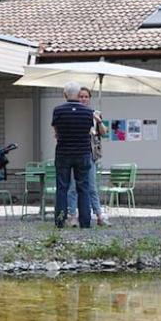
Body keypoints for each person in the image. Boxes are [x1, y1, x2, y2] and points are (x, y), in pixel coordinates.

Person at [51, 81, 98, 228]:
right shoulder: (88, 112)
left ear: (65, 95)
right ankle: (85, 222)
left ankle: (60, 220)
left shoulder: (58, 111)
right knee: (83, 187)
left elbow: (56, 133)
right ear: (79, 95)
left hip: (63, 153)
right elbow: (89, 131)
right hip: (83, 153)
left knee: (62, 187)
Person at [66, 86, 109, 225]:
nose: (83, 99)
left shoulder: (95, 114)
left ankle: (99, 215)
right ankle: (72, 215)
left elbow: (104, 132)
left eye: (86, 97)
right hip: (75, 153)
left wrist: (99, 120)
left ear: (89, 99)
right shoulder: (73, 113)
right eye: (81, 96)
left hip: (89, 154)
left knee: (92, 186)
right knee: (73, 186)